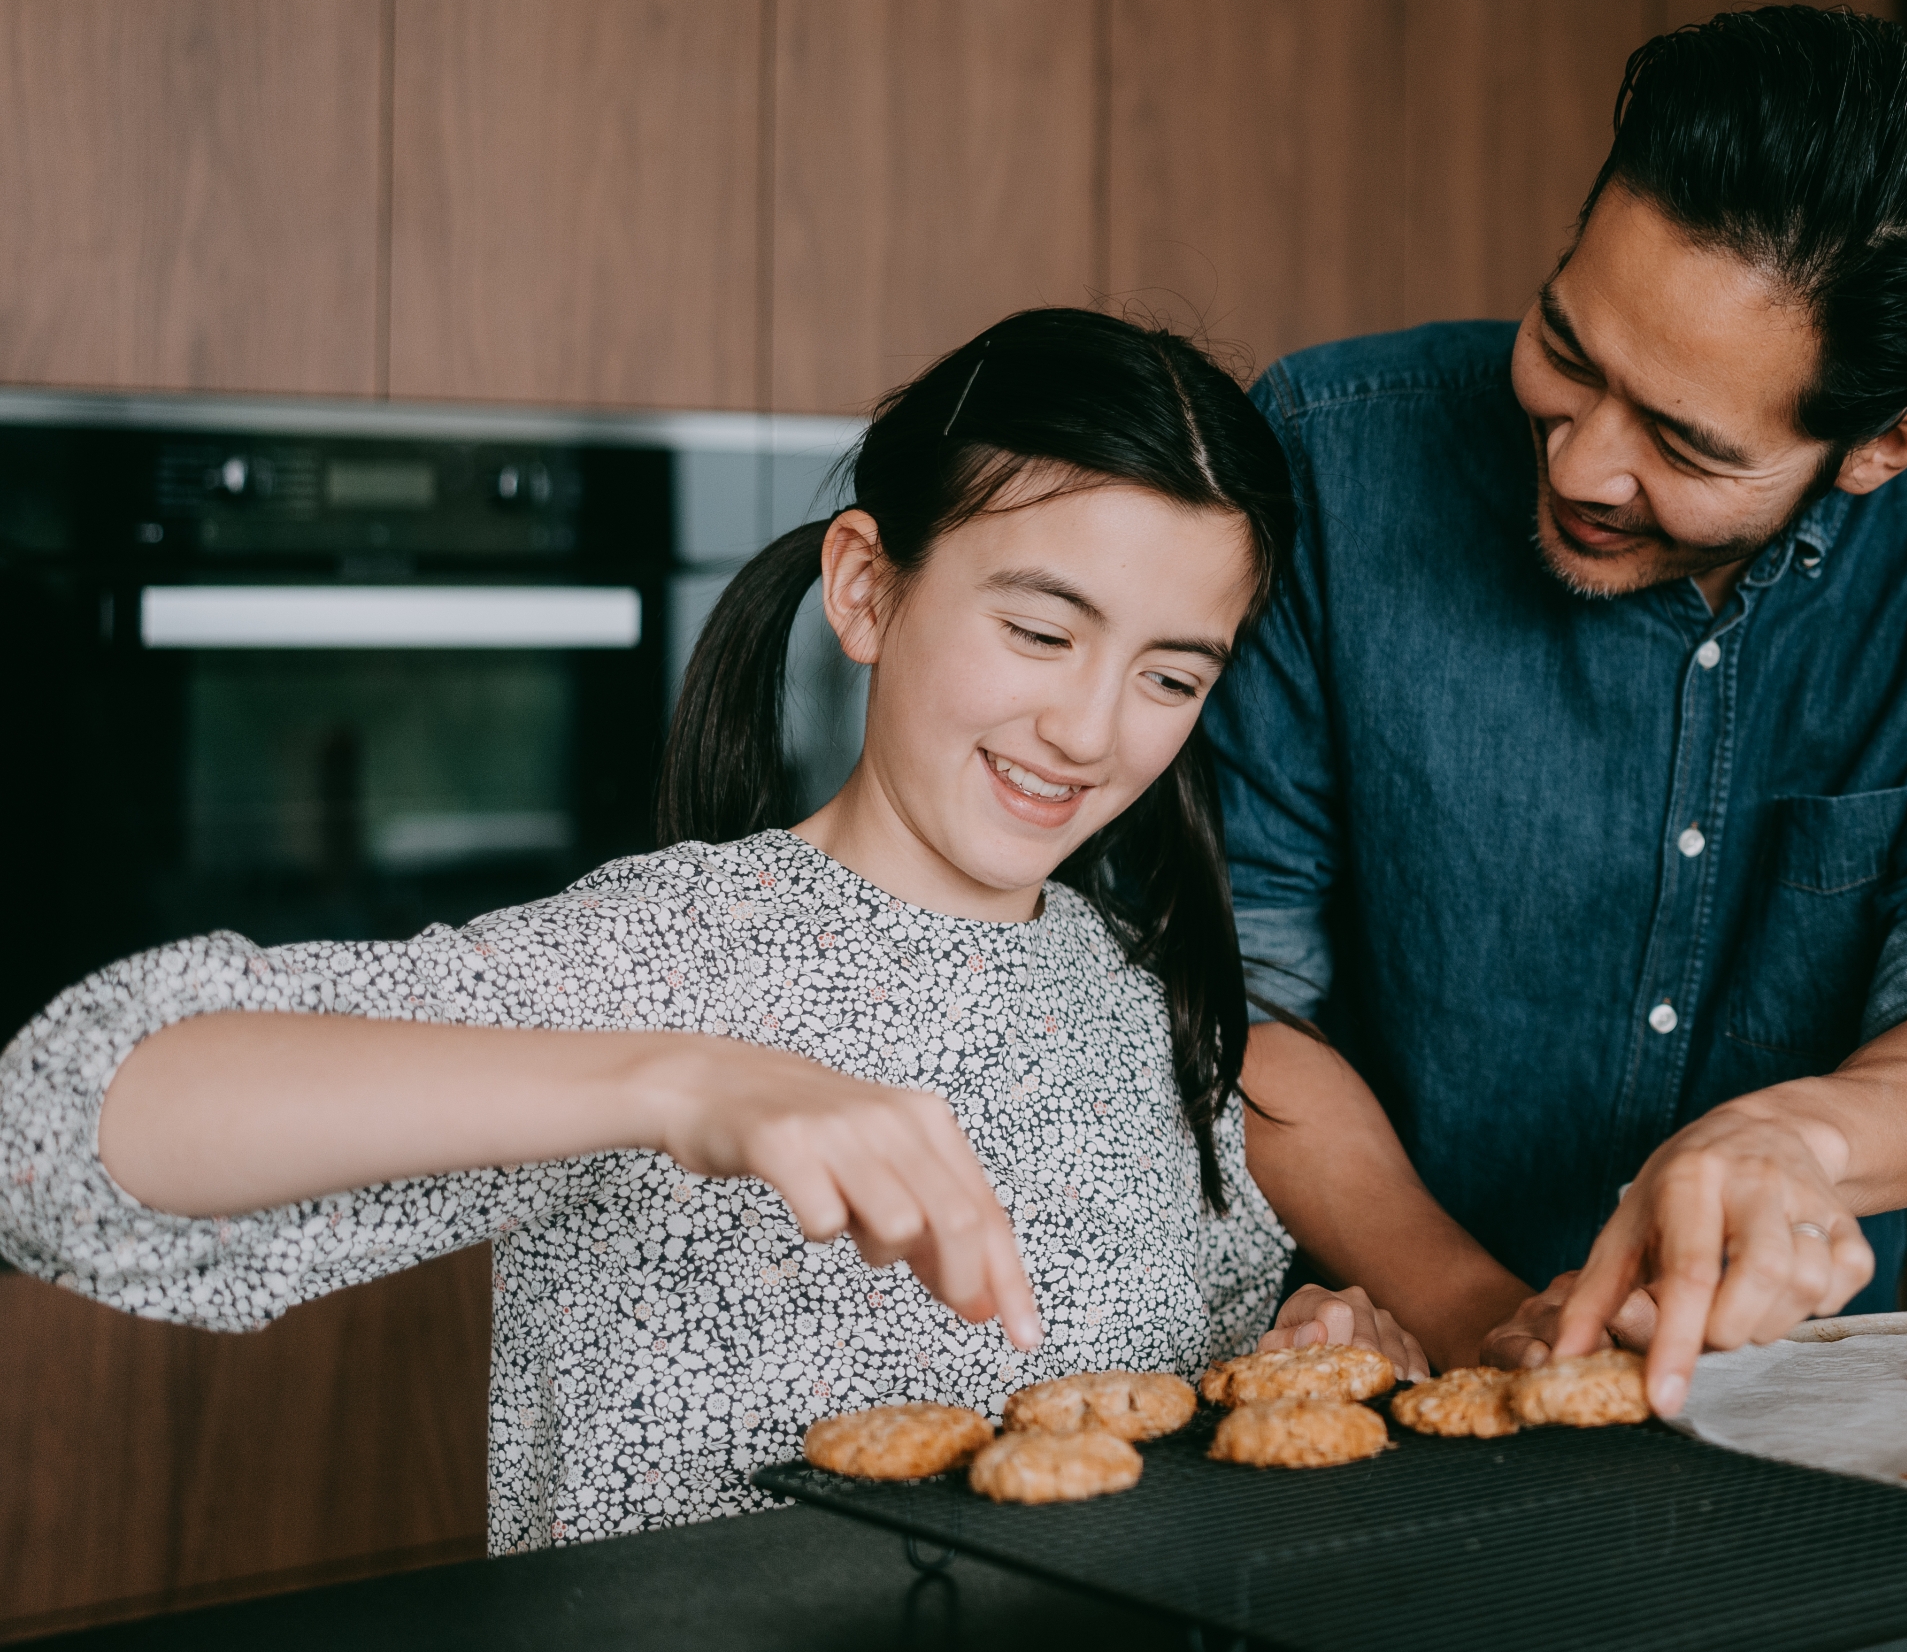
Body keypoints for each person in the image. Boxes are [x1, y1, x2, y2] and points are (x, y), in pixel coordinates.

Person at [0, 310, 1314, 1546]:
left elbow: (1174, 1428)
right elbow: (56, 1134)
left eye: (1170, 675)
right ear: (864, 589)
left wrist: (1305, 1342)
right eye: (1040, 629)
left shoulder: (1152, 1012)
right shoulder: (661, 961)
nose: (1090, 730)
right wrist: (682, 1080)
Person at [1217, 7, 1907, 1415]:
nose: (1581, 464)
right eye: (1567, 351)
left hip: (1788, 1401)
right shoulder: (1329, 453)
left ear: (1885, 445)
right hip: (1358, 1375)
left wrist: (1798, 1141)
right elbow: (1240, 998)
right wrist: (1483, 1321)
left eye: (1687, 444)